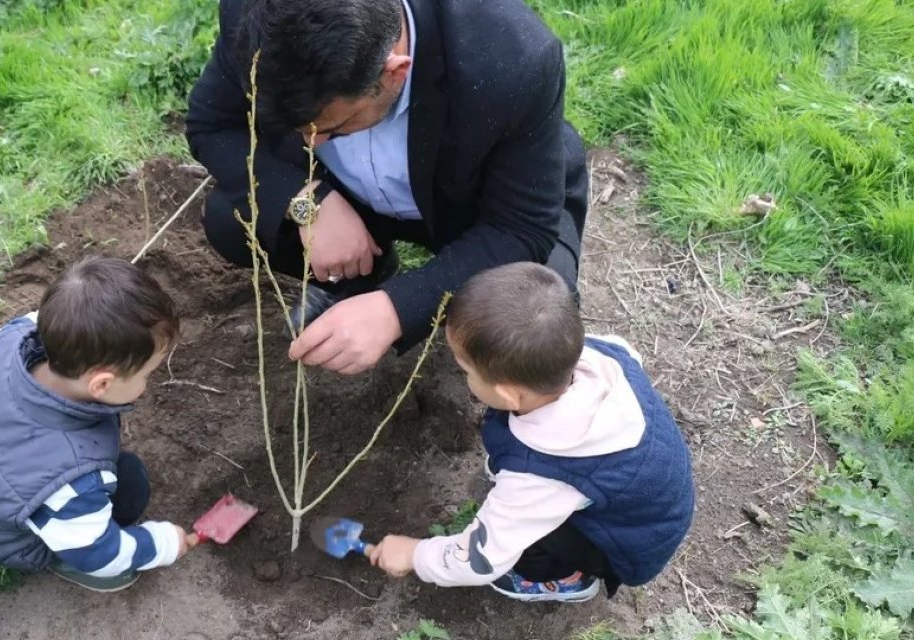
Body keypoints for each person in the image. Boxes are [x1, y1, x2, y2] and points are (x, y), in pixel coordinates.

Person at [186, 0, 589, 376]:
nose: (309, 145)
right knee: (232, 220)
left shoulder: (509, 55)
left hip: (474, 203)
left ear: (395, 72)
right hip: (348, 193)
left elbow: (519, 229)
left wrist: (396, 308)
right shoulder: (257, 15)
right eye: (299, 130)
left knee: (536, 317)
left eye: (330, 128)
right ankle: (362, 271)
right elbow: (213, 124)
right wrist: (307, 201)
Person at [367, 263, 695, 602]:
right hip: (649, 502)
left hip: (629, 543)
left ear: (510, 395)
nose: (459, 370)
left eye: (464, 367)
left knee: (527, 546)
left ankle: (567, 578)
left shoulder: (546, 474)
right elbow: (631, 355)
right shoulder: (601, 355)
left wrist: (415, 554)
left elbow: (481, 558)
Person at [0, 257, 198, 592]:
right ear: (101, 385)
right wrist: (159, 543)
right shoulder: (71, 481)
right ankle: (62, 560)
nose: (148, 383)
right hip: (11, 539)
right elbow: (100, 553)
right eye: (146, 374)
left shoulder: (10, 337)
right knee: (131, 483)